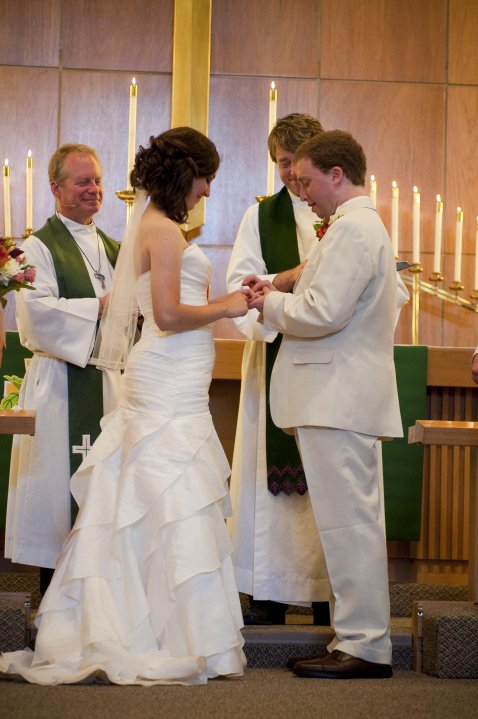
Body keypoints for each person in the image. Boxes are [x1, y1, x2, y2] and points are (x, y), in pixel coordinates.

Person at [0, 127, 248, 685]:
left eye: (97, 181)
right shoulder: (149, 231)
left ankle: (155, 622)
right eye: (205, 178)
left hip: (164, 374)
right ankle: (165, 630)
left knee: (150, 496)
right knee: (165, 492)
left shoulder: (139, 230)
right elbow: (166, 315)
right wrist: (226, 306)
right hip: (146, 376)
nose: (208, 190)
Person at [247, 130, 404, 679]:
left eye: (308, 181)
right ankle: (355, 639)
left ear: (338, 175)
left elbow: (321, 312)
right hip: (339, 398)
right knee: (348, 526)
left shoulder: (353, 230)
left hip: (337, 399)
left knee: (349, 527)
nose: (302, 192)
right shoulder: (356, 227)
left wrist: (270, 303)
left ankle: (364, 645)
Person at [226, 113, 331, 625]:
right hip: (275, 364)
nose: (288, 173)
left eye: (295, 162)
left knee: (325, 488)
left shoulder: (341, 213)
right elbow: (242, 291)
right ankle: (267, 595)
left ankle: (325, 598)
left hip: (329, 372)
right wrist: (294, 280)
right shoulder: (259, 218)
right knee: (272, 497)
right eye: (281, 163)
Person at [4, 144, 121, 594]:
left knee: (104, 492)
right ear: (56, 188)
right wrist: (102, 307)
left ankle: (99, 597)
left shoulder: (113, 247)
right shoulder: (37, 247)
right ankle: (53, 596)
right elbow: (35, 315)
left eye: (97, 180)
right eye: (82, 181)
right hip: (59, 385)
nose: (94, 189)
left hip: (106, 381)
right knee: (56, 491)